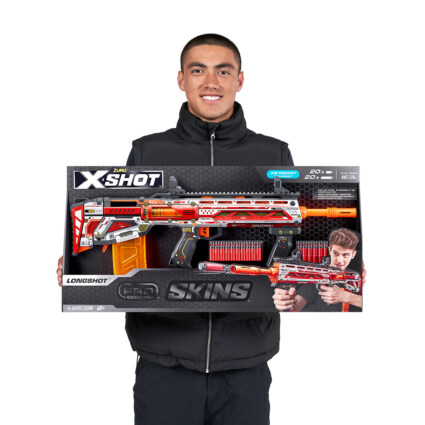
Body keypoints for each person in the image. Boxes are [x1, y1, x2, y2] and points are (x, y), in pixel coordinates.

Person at [57, 34, 297, 424]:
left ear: (240, 80)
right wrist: (79, 264)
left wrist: (343, 265)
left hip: (246, 355)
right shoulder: (148, 151)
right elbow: (129, 222)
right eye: (198, 70)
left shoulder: (274, 153)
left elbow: (293, 232)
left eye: (223, 71)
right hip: (163, 356)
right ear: (181, 79)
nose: (211, 82)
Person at [295, 228, 363, 312]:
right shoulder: (317, 275)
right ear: (330, 250)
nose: (339, 260)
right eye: (335, 253)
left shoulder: (355, 276)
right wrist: (287, 303)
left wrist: (346, 296)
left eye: (345, 255)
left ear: (353, 254)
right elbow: (295, 306)